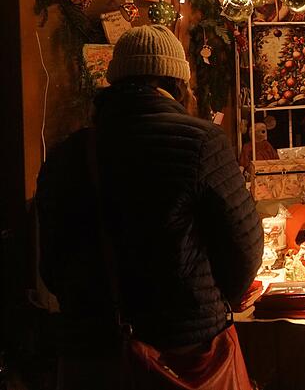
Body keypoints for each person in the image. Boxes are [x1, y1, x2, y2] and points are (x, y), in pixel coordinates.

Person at [36, 24, 262, 388]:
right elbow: (244, 252)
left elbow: (50, 266)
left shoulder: (67, 154)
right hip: (185, 354)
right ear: (177, 84)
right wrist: (213, 302)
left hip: (91, 356)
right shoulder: (202, 142)